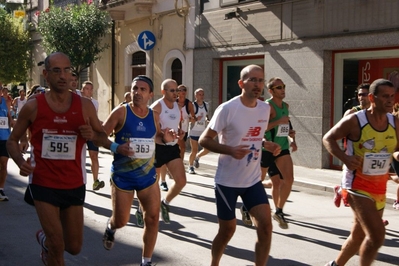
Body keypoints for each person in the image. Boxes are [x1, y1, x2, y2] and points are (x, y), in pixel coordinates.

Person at [6, 52, 113, 265]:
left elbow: (102, 137)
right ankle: (51, 244)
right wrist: (20, 162)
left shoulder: (85, 106)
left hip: (74, 182)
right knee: (58, 245)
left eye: (67, 70)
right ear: (46, 75)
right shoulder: (33, 106)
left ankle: (45, 241)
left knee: (73, 247)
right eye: (56, 71)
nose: (63, 76)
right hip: (43, 182)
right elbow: (12, 141)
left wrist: (93, 136)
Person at [199, 64, 281, 266]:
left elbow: (253, 135)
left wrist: (265, 144)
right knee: (227, 230)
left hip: (252, 180)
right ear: (240, 83)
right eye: (252, 80)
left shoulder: (265, 108)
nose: (257, 84)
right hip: (227, 181)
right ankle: (214, 263)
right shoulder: (227, 109)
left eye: (260, 80)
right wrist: (230, 150)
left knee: (266, 226)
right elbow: (204, 140)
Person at [322, 78, 399, 266]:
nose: (390, 100)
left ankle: (335, 265)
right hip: (356, 185)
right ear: (372, 97)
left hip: (379, 186)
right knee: (376, 235)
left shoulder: (394, 122)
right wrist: (345, 158)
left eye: (392, 96)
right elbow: (328, 138)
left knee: (358, 235)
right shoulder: (356, 120)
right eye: (384, 97)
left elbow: (396, 149)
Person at [101, 75, 172, 266]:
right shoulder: (120, 113)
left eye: (142, 89)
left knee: (153, 217)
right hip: (123, 177)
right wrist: (117, 147)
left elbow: (153, 138)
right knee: (121, 221)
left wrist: (165, 138)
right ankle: (111, 226)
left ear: (150, 94)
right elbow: (99, 137)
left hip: (147, 177)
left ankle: (146, 261)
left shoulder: (154, 116)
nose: (137, 93)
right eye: (134, 89)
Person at [258, 77, 296, 229]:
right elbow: (262, 128)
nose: (282, 89)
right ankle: (248, 207)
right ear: (271, 91)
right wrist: (277, 122)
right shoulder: (268, 107)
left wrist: (292, 137)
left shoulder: (285, 105)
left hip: (282, 147)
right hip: (267, 148)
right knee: (257, 181)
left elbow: (286, 124)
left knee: (289, 179)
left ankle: (279, 210)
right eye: (279, 87)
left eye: (283, 86)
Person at [149, 78, 186, 224]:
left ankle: (165, 203)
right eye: (172, 90)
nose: (176, 93)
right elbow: (153, 131)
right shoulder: (157, 107)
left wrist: (179, 133)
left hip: (172, 148)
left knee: (181, 181)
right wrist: (163, 135)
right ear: (163, 92)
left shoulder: (177, 106)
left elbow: (176, 125)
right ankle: (141, 209)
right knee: (152, 185)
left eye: (176, 90)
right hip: (158, 148)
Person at [334, 83, 370, 207]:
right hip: (353, 155)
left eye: (364, 94)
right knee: (351, 194)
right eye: (359, 94)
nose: (361, 97)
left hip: (370, 156)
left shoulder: (376, 114)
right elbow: (337, 133)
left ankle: (374, 216)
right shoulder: (351, 113)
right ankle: (340, 191)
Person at [158, 84, 195, 192]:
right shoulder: (164, 104)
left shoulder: (187, 104)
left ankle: (174, 169)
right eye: (177, 90)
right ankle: (163, 181)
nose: (179, 92)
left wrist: (180, 128)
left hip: (178, 135)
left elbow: (187, 118)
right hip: (163, 139)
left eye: (183, 90)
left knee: (182, 149)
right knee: (152, 181)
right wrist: (162, 134)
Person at [81, 81, 105, 191]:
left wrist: (101, 124)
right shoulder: (77, 101)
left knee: (94, 156)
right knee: (79, 158)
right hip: (80, 132)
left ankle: (95, 181)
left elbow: (94, 118)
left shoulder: (95, 103)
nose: (89, 91)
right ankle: (79, 182)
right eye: (86, 88)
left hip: (91, 132)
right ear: (82, 90)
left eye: (91, 89)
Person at [188, 88, 211, 174]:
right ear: (195, 96)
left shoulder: (206, 105)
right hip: (194, 130)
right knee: (194, 150)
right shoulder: (192, 106)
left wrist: (208, 120)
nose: (201, 96)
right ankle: (190, 167)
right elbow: (188, 119)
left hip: (203, 131)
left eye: (202, 94)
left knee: (207, 149)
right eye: (199, 94)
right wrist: (195, 119)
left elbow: (206, 116)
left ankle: (197, 157)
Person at [0, 88, 12, 201]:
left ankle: (1, 189)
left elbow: (9, 118)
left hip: (4, 138)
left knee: (4, 163)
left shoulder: (6, 102)